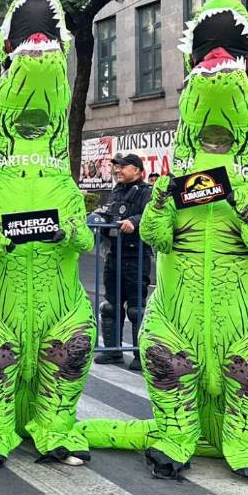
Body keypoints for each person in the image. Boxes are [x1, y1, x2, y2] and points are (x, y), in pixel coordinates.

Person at [92, 153, 152, 370]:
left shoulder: (147, 192)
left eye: (123, 167)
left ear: (136, 170)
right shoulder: (116, 190)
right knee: (110, 306)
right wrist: (98, 218)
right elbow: (110, 213)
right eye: (117, 167)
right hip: (114, 254)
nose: (118, 171)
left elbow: (151, 216)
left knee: (136, 309)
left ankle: (140, 355)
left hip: (136, 256)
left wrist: (134, 221)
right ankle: (113, 352)